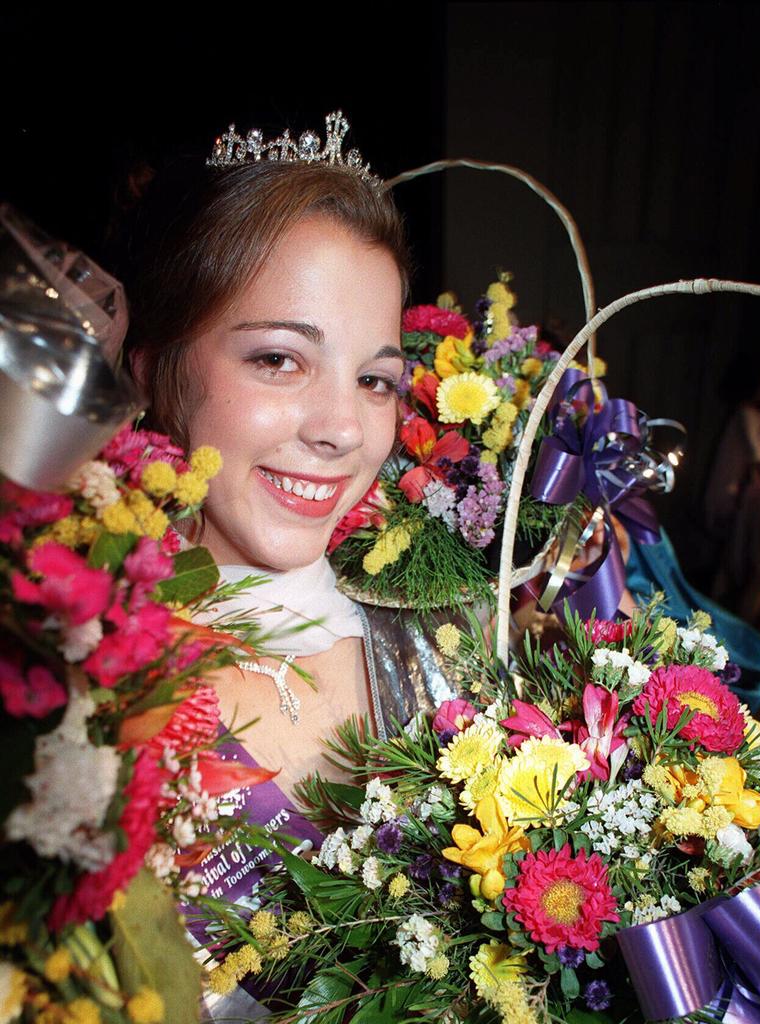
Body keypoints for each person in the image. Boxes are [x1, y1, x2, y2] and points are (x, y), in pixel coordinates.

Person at [120, 113, 459, 1014]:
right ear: (156, 371)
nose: (343, 428)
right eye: (279, 359)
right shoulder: (81, 683)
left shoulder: (449, 651)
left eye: (375, 379)